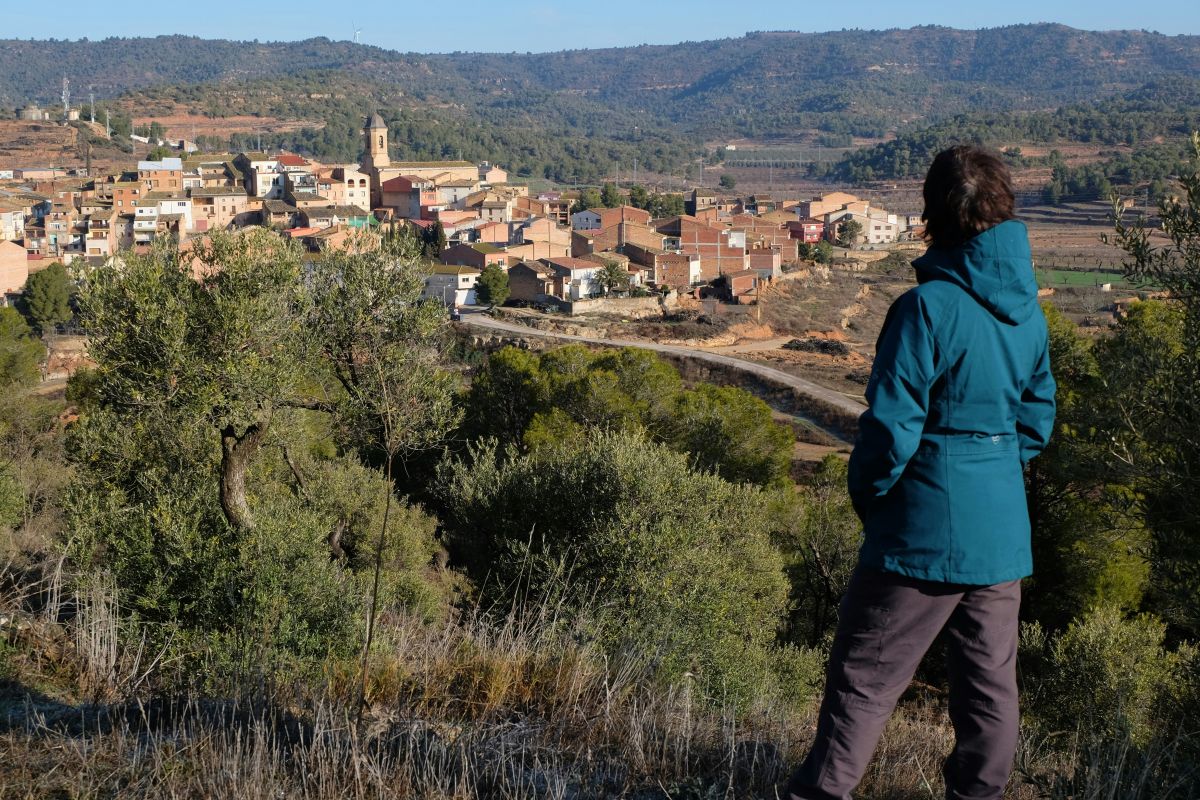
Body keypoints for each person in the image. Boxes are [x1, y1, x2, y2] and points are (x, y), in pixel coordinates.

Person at [785, 146, 1057, 800]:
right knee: (990, 692)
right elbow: (1036, 418)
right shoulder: (1029, 313)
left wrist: (874, 500)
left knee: (864, 684)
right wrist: (991, 469)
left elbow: (889, 431)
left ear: (933, 214)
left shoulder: (924, 309)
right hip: (999, 534)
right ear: (1003, 209)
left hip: (919, 532)